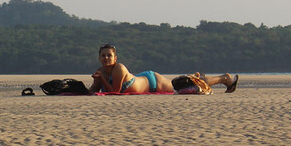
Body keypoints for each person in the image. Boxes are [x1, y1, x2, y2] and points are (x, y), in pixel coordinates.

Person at [88, 44, 238, 94]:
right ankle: (193, 74)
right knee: (186, 81)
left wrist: (101, 79)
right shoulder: (101, 70)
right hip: (142, 79)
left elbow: (115, 92)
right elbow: (94, 91)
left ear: (115, 58)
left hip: (153, 82)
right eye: (103, 56)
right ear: (99, 57)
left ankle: (224, 78)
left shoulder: (119, 69)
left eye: (109, 56)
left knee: (188, 84)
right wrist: (96, 81)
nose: (106, 58)